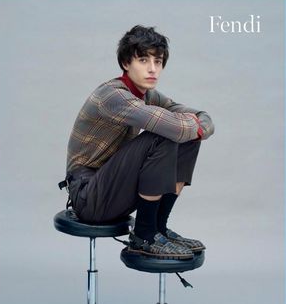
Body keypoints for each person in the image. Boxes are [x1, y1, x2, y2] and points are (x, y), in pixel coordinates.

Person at [62, 25, 214, 260]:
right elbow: (176, 126)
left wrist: (199, 128)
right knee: (165, 131)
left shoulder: (147, 96)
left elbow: (200, 116)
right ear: (126, 63)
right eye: (143, 60)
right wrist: (195, 127)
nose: (152, 69)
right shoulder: (113, 96)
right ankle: (143, 235)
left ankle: (158, 230)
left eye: (158, 61)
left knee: (187, 138)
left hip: (113, 188)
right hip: (88, 196)